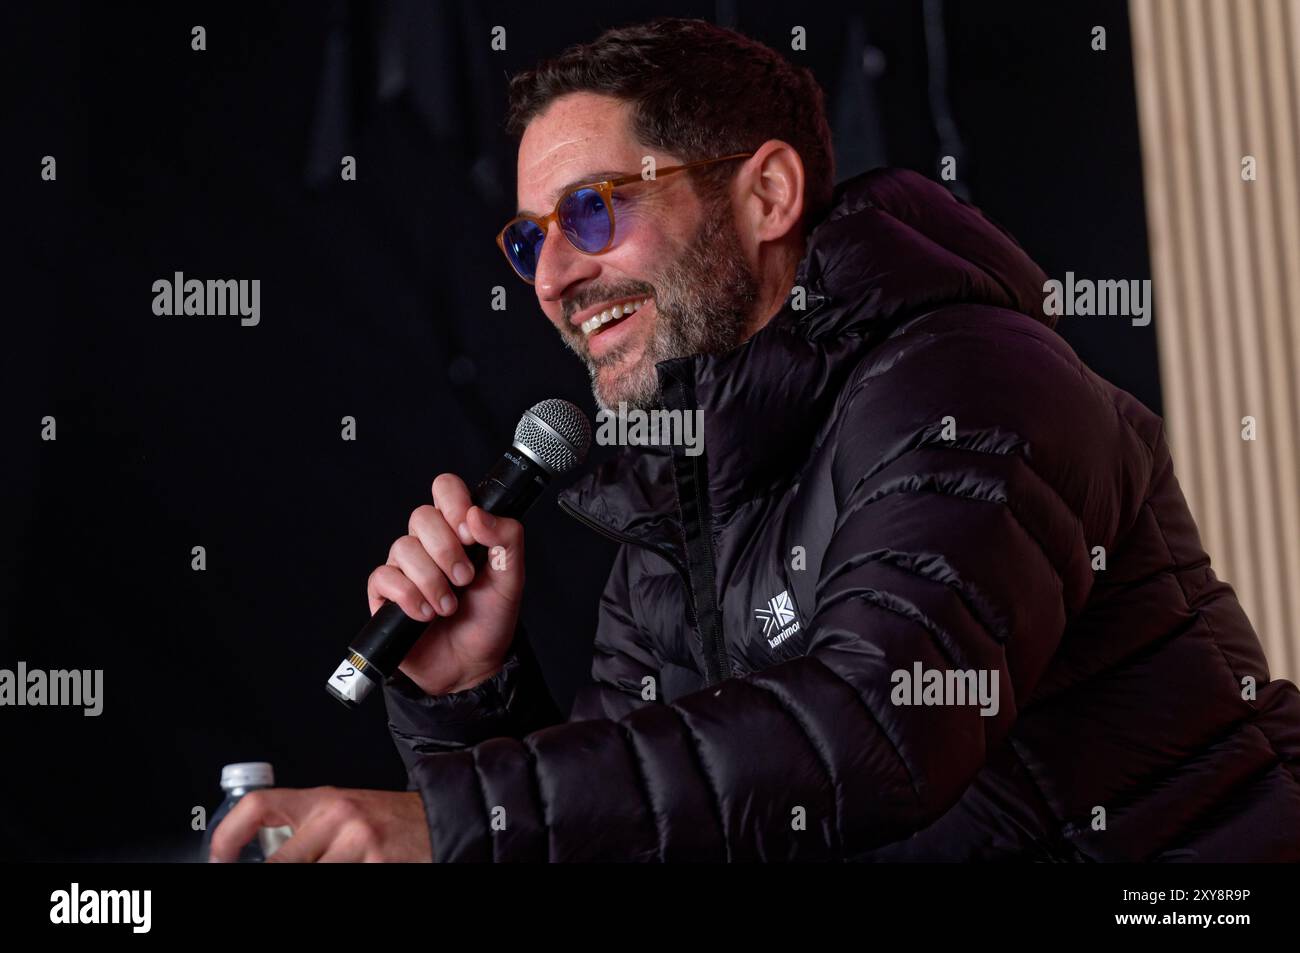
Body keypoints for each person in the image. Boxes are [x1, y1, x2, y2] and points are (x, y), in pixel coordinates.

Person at [210, 17, 1300, 863]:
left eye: (593, 211)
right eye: (529, 238)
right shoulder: (681, 488)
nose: (550, 279)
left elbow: (875, 730)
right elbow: (655, 826)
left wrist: (453, 822)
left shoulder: (968, 380)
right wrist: (468, 700)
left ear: (766, 192)